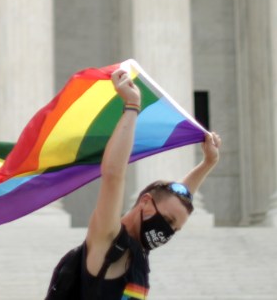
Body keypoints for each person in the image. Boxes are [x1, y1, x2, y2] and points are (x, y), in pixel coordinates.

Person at [79, 67, 220, 298]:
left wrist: (207, 164)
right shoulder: (106, 238)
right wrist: (132, 106)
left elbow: (176, 200)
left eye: (175, 228)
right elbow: (113, 175)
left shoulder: (138, 251)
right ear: (145, 202)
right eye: (167, 221)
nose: (167, 232)